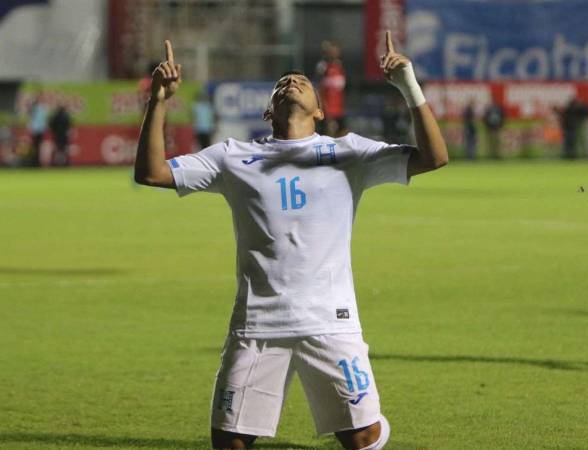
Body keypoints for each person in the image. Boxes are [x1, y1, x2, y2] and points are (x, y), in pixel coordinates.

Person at [134, 33, 448, 450]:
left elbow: (434, 157)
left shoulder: (348, 152)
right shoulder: (232, 156)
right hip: (257, 323)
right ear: (268, 111)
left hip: (329, 321)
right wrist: (158, 100)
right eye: (282, 83)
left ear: (320, 110)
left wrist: (408, 85)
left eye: (301, 80)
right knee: (228, 443)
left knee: (363, 439)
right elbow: (152, 172)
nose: (291, 82)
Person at [315, 40, 347, 137]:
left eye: (337, 50)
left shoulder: (340, 65)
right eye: (332, 50)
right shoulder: (323, 66)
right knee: (327, 135)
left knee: (342, 134)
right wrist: (323, 108)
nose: (335, 52)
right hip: (327, 110)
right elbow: (319, 89)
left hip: (340, 109)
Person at [27, 94, 48, 167]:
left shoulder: (42, 108)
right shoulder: (35, 108)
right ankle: (33, 161)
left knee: (37, 146)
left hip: (39, 130)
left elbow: (43, 120)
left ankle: (36, 161)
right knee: (34, 146)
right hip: (35, 130)